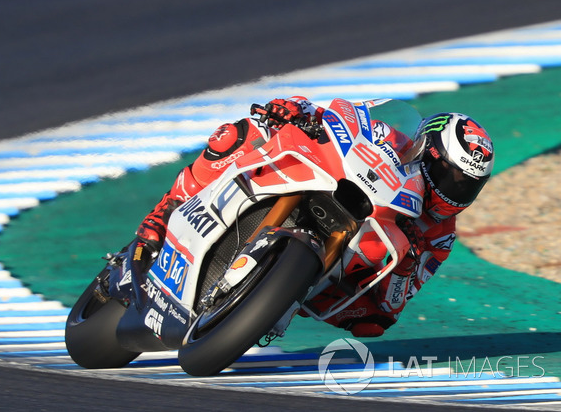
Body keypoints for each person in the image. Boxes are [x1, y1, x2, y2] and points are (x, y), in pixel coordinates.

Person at [133, 96, 495, 338]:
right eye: (449, 174)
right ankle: (167, 208)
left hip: (339, 265)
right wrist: (298, 110)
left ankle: (275, 298)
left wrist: (405, 264)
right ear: (425, 149)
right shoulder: (392, 136)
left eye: (466, 186)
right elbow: (338, 116)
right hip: (324, 182)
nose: (454, 190)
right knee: (246, 132)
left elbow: (391, 307)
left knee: (371, 323)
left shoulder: (439, 235)